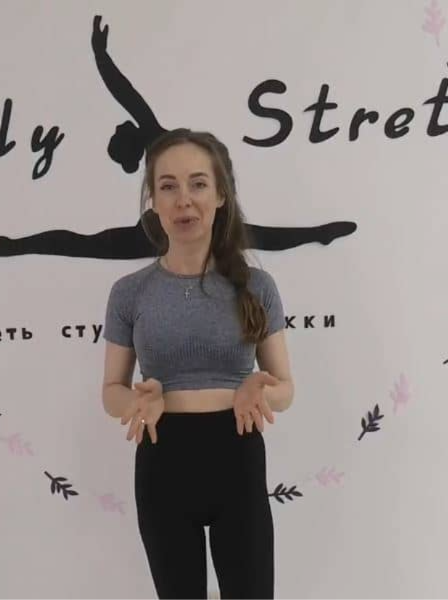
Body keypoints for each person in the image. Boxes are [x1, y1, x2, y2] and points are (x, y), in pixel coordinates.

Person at [101, 128, 295, 600]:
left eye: (198, 184)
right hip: (163, 459)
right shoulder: (129, 292)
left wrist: (258, 387)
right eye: (168, 186)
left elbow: (285, 388)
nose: (184, 199)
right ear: (153, 200)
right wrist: (136, 402)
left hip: (237, 454)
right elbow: (111, 392)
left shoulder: (257, 286)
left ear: (221, 194)